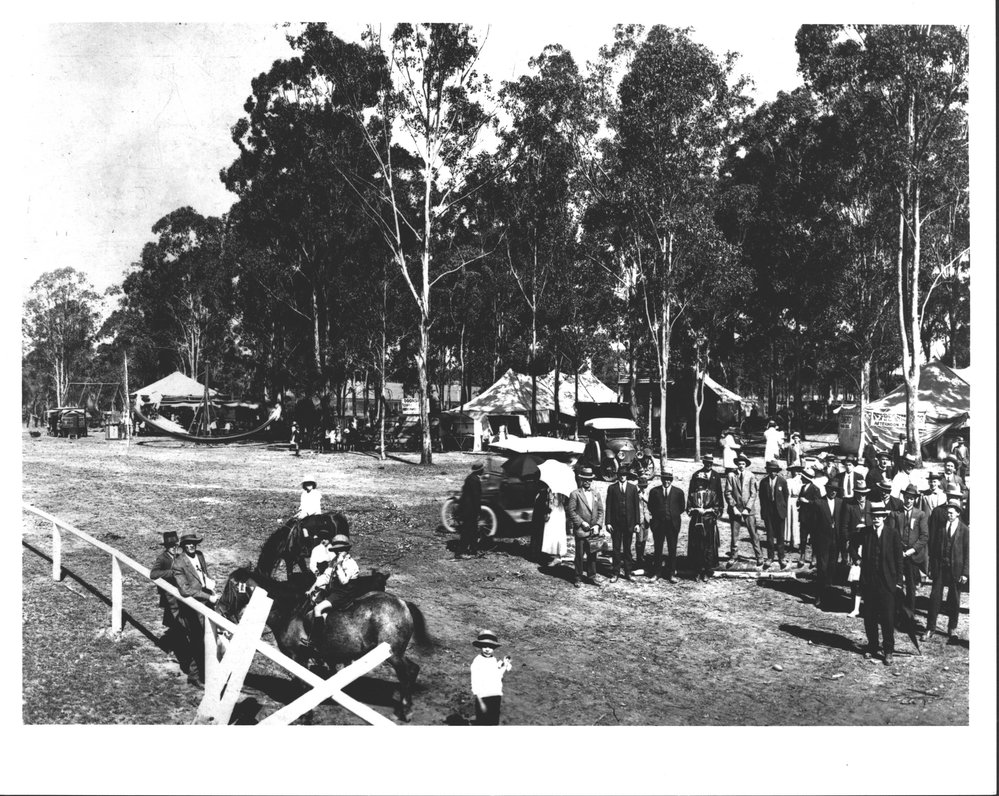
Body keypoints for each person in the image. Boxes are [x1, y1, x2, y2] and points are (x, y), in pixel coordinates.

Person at [853, 503, 903, 666]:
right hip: (869, 581)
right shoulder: (865, 533)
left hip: (887, 582)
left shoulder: (893, 533)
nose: (876, 519)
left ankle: (888, 651)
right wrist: (857, 559)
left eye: (879, 516)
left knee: (888, 618)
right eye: (873, 516)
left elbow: (899, 559)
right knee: (870, 617)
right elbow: (851, 545)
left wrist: (899, 582)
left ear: (884, 518)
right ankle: (872, 646)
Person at [171, 533, 219, 686]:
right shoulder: (178, 563)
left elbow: (203, 574)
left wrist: (210, 585)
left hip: (207, 600)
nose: (192, 545)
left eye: (194, 543)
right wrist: (207, 596)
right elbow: (185, 590)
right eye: (188, 543)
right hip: (193, 607)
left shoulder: (199, 555)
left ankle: (211, 671)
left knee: (212, 637)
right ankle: (194, 675)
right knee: (198, 640)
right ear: (183, 546)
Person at [924, 500, 969, 643]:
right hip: (940, 569)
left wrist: (965, 573)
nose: (948, 515)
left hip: (956, 570)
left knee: (954, 600)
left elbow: (968, 553)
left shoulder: (965, 530)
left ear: (957, 513)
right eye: (947, 512)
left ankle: (952, 629)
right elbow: (934, 550)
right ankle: (930, 628)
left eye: (951, 512)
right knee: (934, 598)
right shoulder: (940, 528)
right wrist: (931, 566)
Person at [149, 531, 191, 673]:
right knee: (173, 622)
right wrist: (171, 573)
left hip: (180, 594)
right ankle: (173, 650)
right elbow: (153, 574)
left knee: (183, 621)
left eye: (175, 545)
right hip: (168, 597)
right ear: (166, 546)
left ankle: (182, 648)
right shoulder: (162, 558)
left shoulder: (179, 556)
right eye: (171, 546)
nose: (174, 548)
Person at [892, 484, 929, 627]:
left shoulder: (920, 514)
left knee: (911, 587)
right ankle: (897, 614)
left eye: (911, 498)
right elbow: (893, 534)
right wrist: (898, 551)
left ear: (914, 500)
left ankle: (910, 616)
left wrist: (912, 550)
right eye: (907, 497)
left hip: (912, 556)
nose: (908, 501)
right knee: (898, 584)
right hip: (899, 555)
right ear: (903, 497)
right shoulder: (896, 513)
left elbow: (924, 536)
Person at [567, 467, 605, 588]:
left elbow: (600, 511)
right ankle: (578, 577)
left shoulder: (596, 493)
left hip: (593, 531)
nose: (587, 482)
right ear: (581, 480)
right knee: (579, 555)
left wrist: (598, 525)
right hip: (581, 530)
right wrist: (581, 522)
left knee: (592, 555)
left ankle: (591, 577)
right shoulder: (575, 494)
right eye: (585, 479)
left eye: (590, 479)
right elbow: (571, 511)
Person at [308, 534, 361, 617]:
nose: (339, 552)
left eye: (342, 549)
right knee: (314, 601)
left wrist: (339, 565)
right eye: (336, 550)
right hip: (334, 591)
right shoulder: (334, 560)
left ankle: (319, 630)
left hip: (345, 593)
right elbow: (326, 576)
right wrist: (313, 588)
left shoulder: (351, 563)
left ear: (347, 549)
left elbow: (343, 581)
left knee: (318, 609)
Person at [723, 454, 761, 568]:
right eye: (739, 464)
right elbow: (727, 492)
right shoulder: (731, 475)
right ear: (736, 464)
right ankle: (733, 556)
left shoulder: (751, 476)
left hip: (748, 511)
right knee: (734, 535)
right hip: (735, 510)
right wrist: (733, 507)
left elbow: (754, 494)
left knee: (753, 533)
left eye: (743, 464)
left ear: (746, 465)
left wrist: (747, 509)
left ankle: (759, 556)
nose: (741, 466)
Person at [647, 470, 685, 583]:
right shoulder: (654, 491)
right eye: (664, 479)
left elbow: (682, 508)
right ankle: (657, 573)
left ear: (671, 480)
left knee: (672, 549)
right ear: (661, 480)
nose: (666, 482)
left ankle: (671, 573)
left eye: (669, 480)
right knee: (658, 549)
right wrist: (659, 516)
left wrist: (672, 515)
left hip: (672, 524)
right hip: (659, 524)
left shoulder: (678, 492)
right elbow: (651, 506)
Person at [811, 480, 843, 609]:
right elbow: (813, 524)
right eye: (831, 489)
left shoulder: (840, 503)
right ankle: (819, 595)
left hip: (836, 541)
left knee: (832, 568)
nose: (833, 492)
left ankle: (828, 596)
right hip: (822, 541)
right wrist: (814, 543)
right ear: (826, 489)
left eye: (835, 490)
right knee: (822, 569)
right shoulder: (819, 503)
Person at [469, 630, 512, 725]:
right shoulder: (478, 662)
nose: (487, 649)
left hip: (495, 694)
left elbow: (497, 676)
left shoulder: (493, 660)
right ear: (480, 646)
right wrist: (480, 702)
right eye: (484, 646)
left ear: (494, 648)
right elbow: (475, 684)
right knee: (483, 721)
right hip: (483, 697)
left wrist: (505, 665)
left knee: (493, 720)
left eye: (491, 647)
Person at [605, 468, 641, 582]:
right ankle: (615, 573)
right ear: (618, 475)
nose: (622, 477)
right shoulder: (612, 488)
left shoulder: (633, 488)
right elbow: (608, 506)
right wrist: (608, 522)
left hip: (629, 523)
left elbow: (636, 507)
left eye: (624, 475)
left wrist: (637, 523)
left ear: (627, 476)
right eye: (620, 474)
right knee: (616, 549)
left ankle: (628, 572)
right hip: (616, 524)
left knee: (627, 549)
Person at [686, 471, 720, 581]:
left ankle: (707, 571)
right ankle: (697, 570)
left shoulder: (712, 494)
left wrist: (706, 511)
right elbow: (688, 510)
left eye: (703, 482)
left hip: (708, 523)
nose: (700, 484)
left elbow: (717, 509)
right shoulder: (692, 495)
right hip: (696, 522)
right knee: (696, 546)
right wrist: (696, 509)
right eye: (698, 481)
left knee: (708, 547)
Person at [758, 460, 789, 570]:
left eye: (775, 471)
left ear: (777, 471)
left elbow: (786, 496)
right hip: (768, 511)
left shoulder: (782, 481)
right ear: (768, 471)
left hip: (779, 512)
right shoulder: (764, 482)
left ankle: (781, 557)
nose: (772, 473)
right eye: (771, 471)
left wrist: (783, 510)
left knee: (780, 536)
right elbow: (761, 498)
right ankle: (770, 557)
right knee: (770, 536)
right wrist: (763, 512)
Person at [457, 463, 485, 559]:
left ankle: (474, 550)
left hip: (467, 508)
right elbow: (476, 498)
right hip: (470, 510)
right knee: (467, 531)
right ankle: (461, 552)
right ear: (479, 470)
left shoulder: (470, 478)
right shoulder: (475, 480)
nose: (484, 470)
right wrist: (479, 511)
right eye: (483, 469)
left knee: (473, 531)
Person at [538, 485, 568, 569]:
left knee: (554, 533)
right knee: (555, 533)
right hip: (558, 510)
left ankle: (557, 557)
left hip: (555, 511)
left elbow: (554, 502)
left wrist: (548, 509)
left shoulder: (555, 490)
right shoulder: (556, 489)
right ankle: (555, 555)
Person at [784, 463, 804, 558]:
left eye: (798, 470)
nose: (796, 472)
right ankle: (790, 543)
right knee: (790, 521)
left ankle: (799, 543)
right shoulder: (788, 481)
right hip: (790, 501)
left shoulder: (802, 481)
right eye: (794, 470)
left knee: (798, 523)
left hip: (798, 501)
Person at [633, 476, 652, 575]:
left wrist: (644, 498)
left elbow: (651, 504)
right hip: (639, 520)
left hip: (646, 519)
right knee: (639, 540)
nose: (643, 488)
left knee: (644, 539)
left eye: (644, 486)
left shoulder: (647, 494)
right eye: (641, 486)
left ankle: (642, 556)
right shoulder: (635, 494)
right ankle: (638, 559)